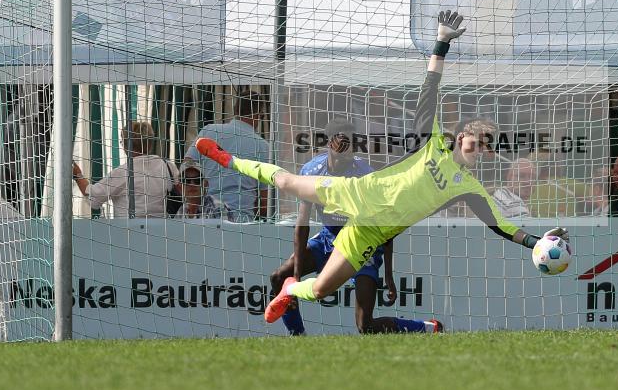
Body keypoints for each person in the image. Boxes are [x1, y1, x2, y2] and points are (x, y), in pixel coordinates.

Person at [195, 10, 567, 321]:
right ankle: (227, 158)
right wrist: (442, 42)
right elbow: (429, 91)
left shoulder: (466, 186)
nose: (479, 147)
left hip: (371, 233)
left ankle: (292, 289)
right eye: (476, 139)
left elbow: (499, 225)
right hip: (358, 194)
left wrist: (538, 242)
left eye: (486, 146)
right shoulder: (433, 142)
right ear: (462, 134)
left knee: (323, 287)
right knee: (289, 183)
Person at [271, 118, 441, 336]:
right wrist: (295, 277)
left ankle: (429, 328)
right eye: (344, 141)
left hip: (360, 244)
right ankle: (298, 336)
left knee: (365, 326)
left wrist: (388, 274)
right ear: (330, 143)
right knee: (279, 277)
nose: (349, 147)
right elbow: (302, 224)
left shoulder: (365, 174)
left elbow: (385, 227)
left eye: (354, 142)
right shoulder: (312, 170)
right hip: (329, 238)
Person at [184, 91, 269, 221]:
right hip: (241, 220)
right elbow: (264, 202)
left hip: (207, 216)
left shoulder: (209, 130)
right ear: (259, 115)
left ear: (235, 109)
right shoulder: (263, 147)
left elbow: (187, 164)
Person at [72, 121, 179, 218]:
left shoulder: (122, 173)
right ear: (150, 143)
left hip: (129, 232)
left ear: (127, 146)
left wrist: (78, 175)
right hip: (163, 232)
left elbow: (93, 196)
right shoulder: (168, 167)